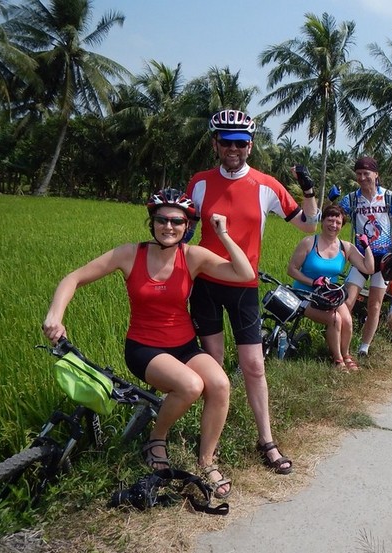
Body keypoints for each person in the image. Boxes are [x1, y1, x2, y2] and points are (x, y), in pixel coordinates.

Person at [42, 189, 254, 499]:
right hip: (144, 348)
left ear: (187, 225)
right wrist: (55, 316)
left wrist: (222, 234)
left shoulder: (192, 256)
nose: (169, 227)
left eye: (177, 221)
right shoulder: (130, 254)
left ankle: (207, 459)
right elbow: (72, 278)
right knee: (190, 386)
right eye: (162, 220)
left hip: (184, 346)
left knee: (220, 384)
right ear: (152, 222)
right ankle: (157, 438)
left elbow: (244, 273)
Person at [184, 109, 320, 475]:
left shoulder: (267, 185)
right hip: (206, 286)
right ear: (215, 143)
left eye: (241, 143)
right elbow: (181, 233)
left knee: (254, 366)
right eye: (226, 142)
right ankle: (211, 444)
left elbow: (308, 224)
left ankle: (267, 440)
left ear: (251, 145)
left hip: (244, 287)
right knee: (214, 368)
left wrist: (307, 190)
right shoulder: (198, 183)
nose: (233, 149)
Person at [287, 204, 375, 372]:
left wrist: (367, 246)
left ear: (342, 225)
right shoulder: (308, 242)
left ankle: (346, 354)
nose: (333, 225)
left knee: (347, 320)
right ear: (323, 221)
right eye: (330, 220)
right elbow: (291, 270)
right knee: (335, 319)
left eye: (338, 222)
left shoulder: (345, 247)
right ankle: (337, 359)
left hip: (329, 295)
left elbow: (368, 268)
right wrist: (312, 282)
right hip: (305, 294)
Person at [338, 156, 392, 357]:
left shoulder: (388, 197)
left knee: (374, 304)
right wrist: (332, 202)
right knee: (347, 302)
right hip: (360, 256)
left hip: (384, 258)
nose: (362, 178)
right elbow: (333, 220)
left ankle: (364, 347)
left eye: (366, 174)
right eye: (358, 174)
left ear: (376, 175)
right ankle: (342, 346)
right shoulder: (351, 199)